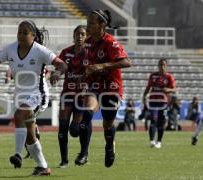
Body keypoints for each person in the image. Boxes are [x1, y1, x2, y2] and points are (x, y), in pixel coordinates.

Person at [0, 20, 67, 176]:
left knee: (19, 115)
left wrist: (56, 73)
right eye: (19, 32)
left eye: (25, 33)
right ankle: (42, 167)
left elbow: (62, 65)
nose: (21, 36)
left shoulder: (40, 50)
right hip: (20, 95)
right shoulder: (10, 49)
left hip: (38, 94)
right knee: (30, 134)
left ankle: (17, 154)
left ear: (33, 36)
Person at [81, 9, 131, 168]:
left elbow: (126, 62)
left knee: (107, 124)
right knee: (87, 113)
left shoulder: (110, 42)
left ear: (102, 24)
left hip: (111, 87)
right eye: (88, 22)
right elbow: (88, 64)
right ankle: (83, 153)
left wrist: (103, 65)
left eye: (91, 23)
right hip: (94, 86)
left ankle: (109, 146)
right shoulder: (87, 42)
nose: (88, 25)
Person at [57, 25, 89, 168]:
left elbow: (95, 72)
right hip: (67, 94)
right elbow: (60, 67)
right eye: (77, 34)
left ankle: (84, 153)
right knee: (63, 127)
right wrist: (56, 74)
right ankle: (64, 161)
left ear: (87, 36)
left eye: (82, 34)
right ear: (74, 36)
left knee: (75, 130)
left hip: (82, 96)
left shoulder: (91, 53)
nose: (80, 37)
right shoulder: (66, 52)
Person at [143, 58, 176, 148]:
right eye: (160, 65)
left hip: (163, 103)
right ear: (158, 66)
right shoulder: (153, 76)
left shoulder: (169, 77)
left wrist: (168, 89)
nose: (161, 67)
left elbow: (174, 89)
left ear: (166, 66)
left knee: (161, 122)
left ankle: (159, 141)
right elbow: (148, 87)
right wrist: (144, 97)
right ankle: (152, 140)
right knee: (153, 120)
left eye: (163, 65)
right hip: (153, 102)